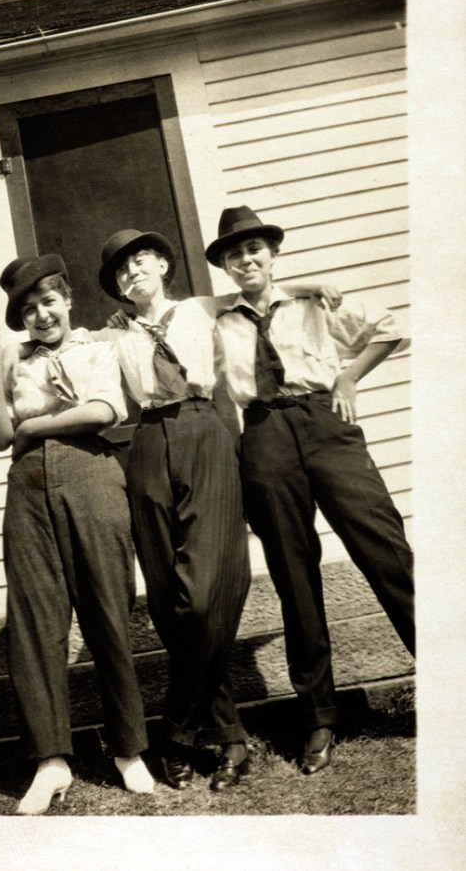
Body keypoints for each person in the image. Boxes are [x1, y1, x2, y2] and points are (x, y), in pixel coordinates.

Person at [96, 229, 338, 792]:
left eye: (139, 262)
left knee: (207, 593)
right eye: (120, 273)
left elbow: (260, 292)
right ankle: (230, 735)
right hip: (148, 443)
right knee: (168, 599)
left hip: (206, 429)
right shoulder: (110, 337)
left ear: (161, 264)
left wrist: (314, 283)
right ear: (116, 290)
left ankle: (178, 728)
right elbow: (49, 341)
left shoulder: (201, 310)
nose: (132, 274)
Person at [207, 204, 415, 775]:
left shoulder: (315, 306)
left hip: (327, 424)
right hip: (265, 437)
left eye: (255, 249)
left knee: (386, 550)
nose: (246, 259)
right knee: (293, 574)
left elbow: (391, 329)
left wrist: (349, 375)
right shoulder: (217, 319)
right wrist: (290, 284)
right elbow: (177, 311)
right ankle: (319, 716)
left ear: (272, 253)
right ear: (224, 266)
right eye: (234, 254)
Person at [0, 253, 154, 814]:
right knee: (33, 621)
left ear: (68, 299)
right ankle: (51, 760)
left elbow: (103, 411)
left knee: (107, 607)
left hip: (92, 479)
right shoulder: (14, 359)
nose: (41, 315)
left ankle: (128, 748)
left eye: (48, 301)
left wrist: (34, 424)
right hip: (26, 490)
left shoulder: (97, 347)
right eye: (28, 310)